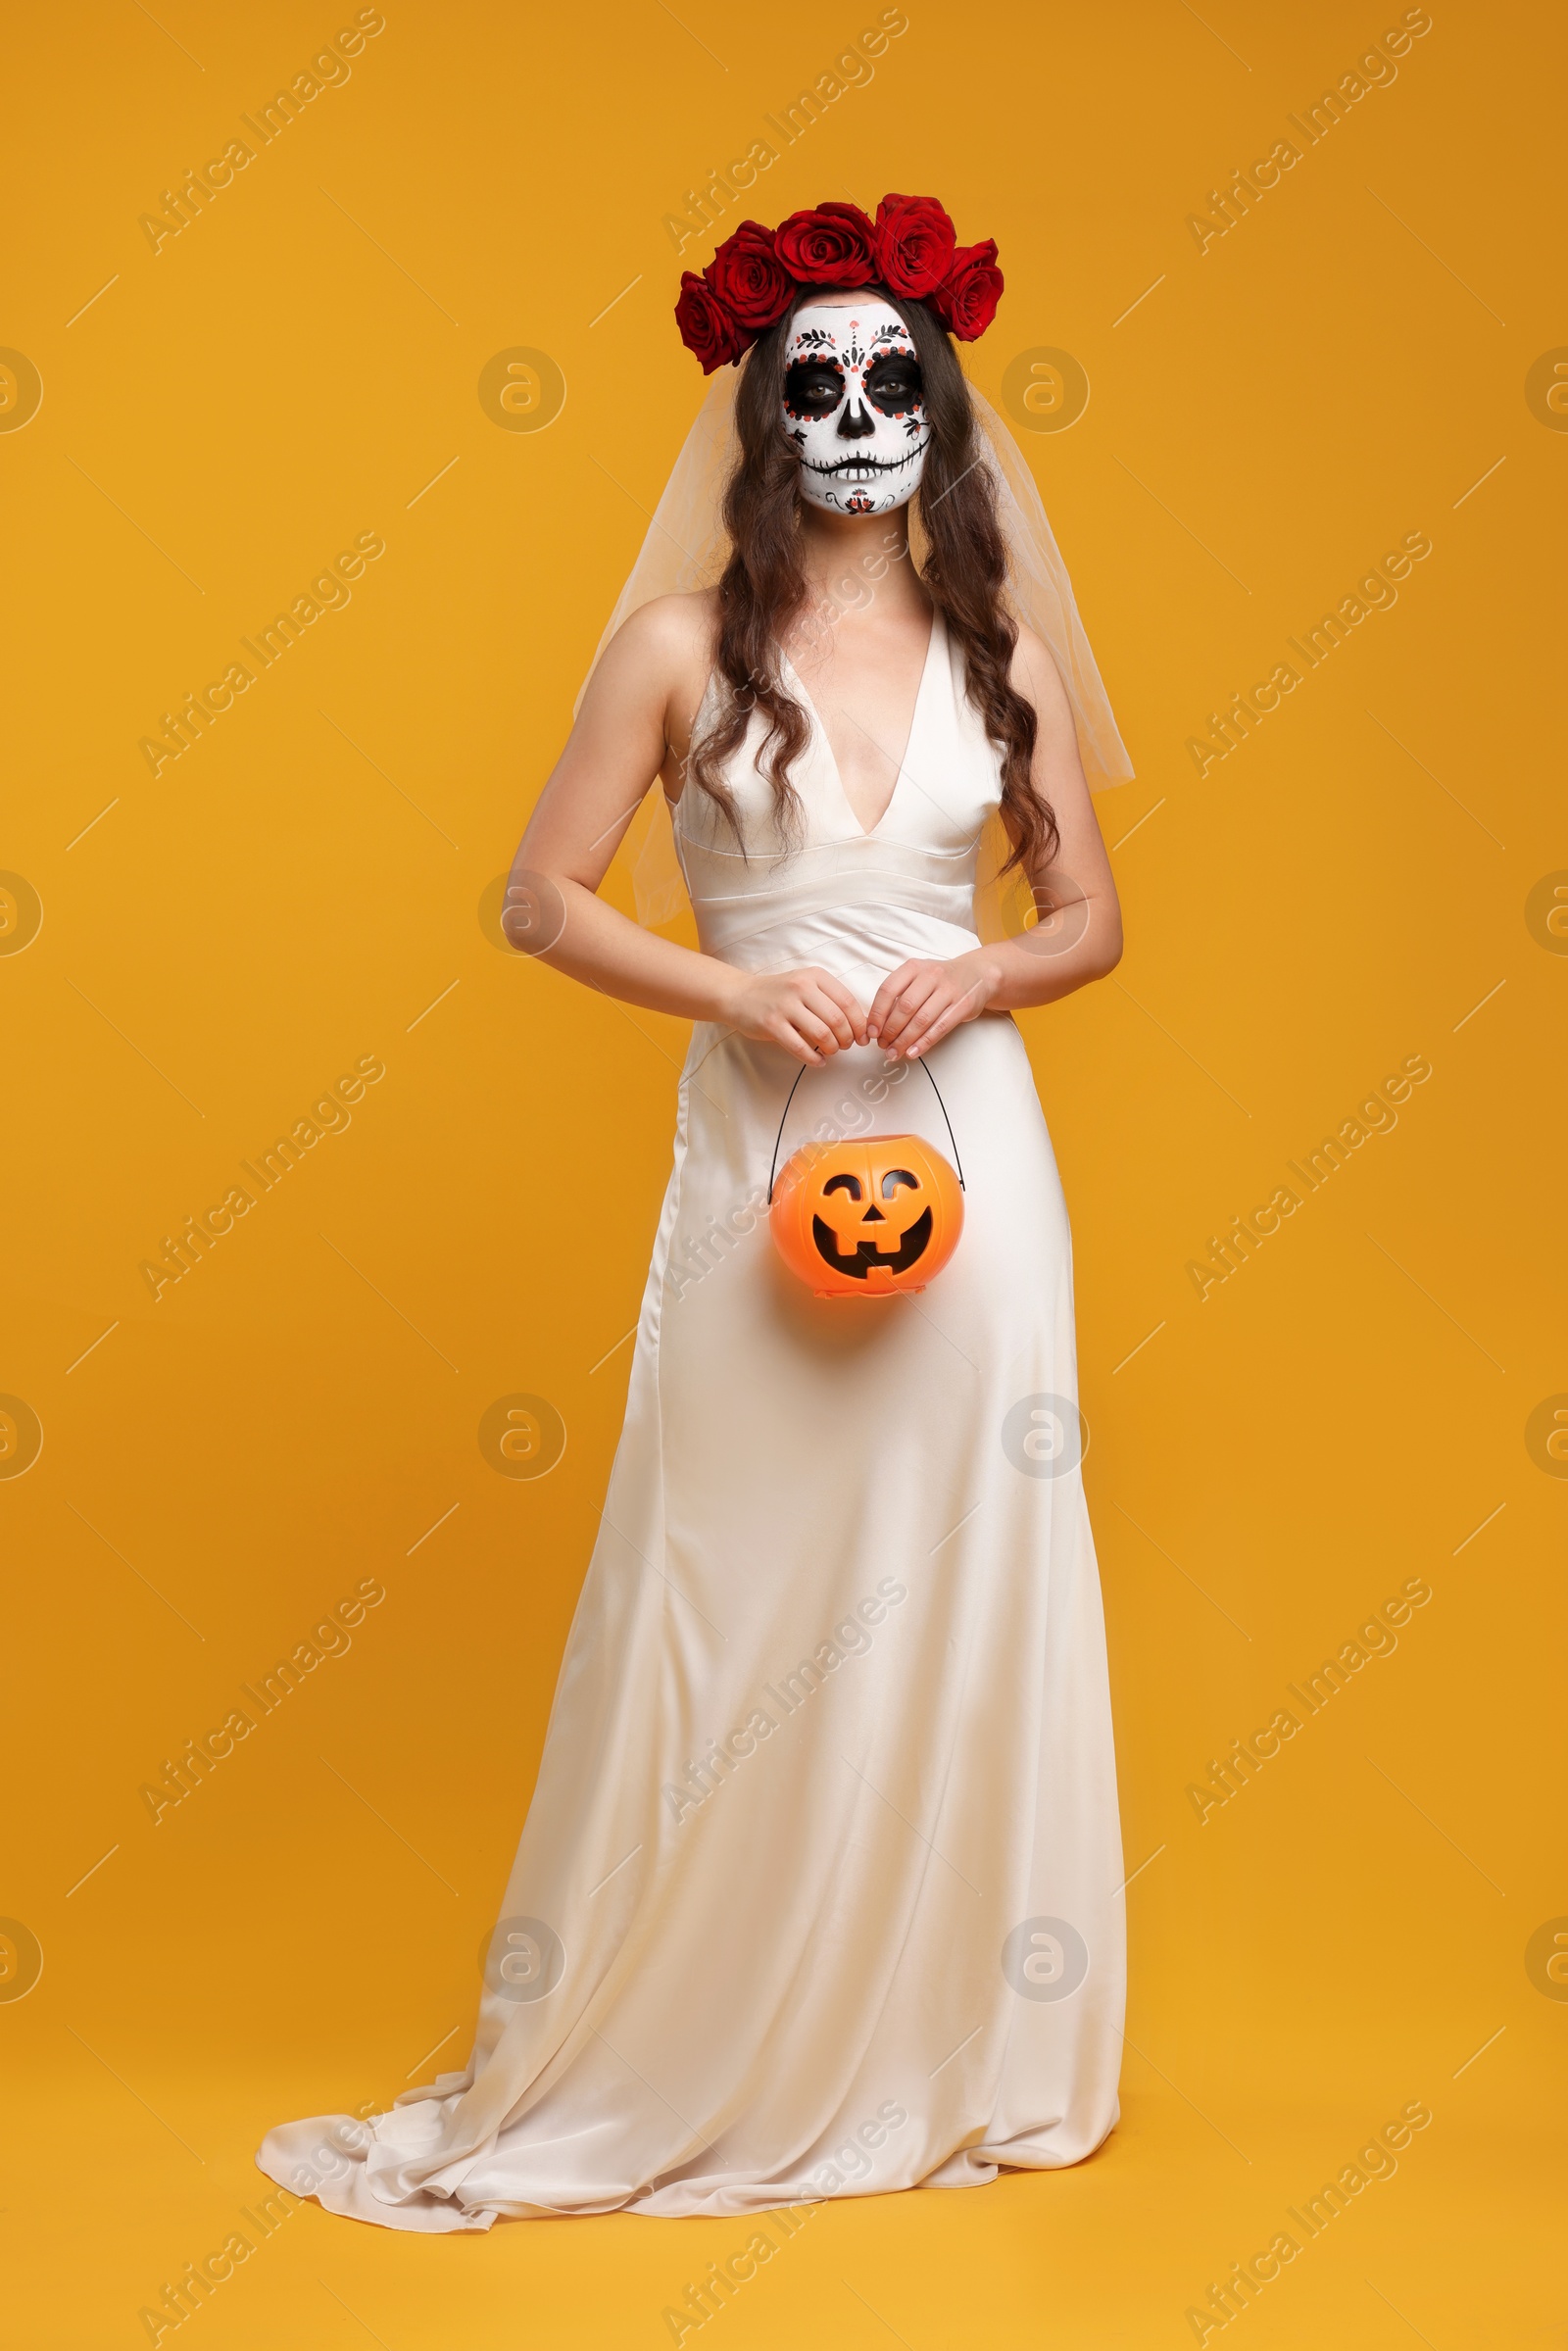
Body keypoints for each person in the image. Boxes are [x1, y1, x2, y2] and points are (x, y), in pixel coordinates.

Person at [259, 192, 1134, 2230]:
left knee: (958, 1563)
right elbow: (534, 894)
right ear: (759, 415)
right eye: (811, 379)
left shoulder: (994, 651)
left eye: (885, 376)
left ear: (932, 406)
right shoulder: (671, 647)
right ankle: (704, 2017)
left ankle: (942, 2033)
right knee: (733, 1576)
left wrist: (985, 969)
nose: (851, 409)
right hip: (762, 1153)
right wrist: (736, 987)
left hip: (968, 1160)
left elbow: (1088, 916)